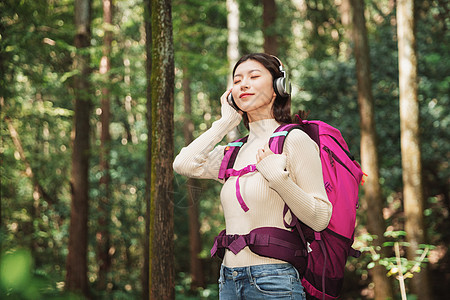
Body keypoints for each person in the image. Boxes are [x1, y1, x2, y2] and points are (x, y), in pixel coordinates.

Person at [173, 53, 332, 299]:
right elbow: (183, 163)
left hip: (275, 281)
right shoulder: (235, 150)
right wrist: (226, 122)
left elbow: (320, 217)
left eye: (254, 76)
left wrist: (279, 179)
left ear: (279, 87)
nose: (243, 84)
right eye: (237, 80)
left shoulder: (294, 139)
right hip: (228, 280)